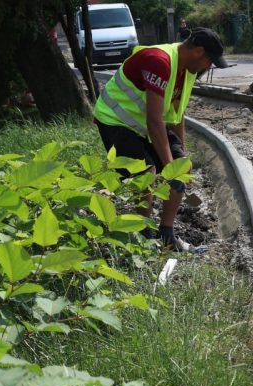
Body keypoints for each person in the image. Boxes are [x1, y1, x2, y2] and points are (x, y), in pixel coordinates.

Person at [93, 27, 228, 250]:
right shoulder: (159, 61)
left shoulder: (187, 70)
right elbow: (154, 121)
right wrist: (168, 167)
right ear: (198, 52)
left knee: (182, 168)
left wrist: (179, 160)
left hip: (142, 124)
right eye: (210, 61)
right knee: (146, 172)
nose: (209, 67)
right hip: (115, 119)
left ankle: (166, 235)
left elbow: (177, 114)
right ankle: (144, 234)